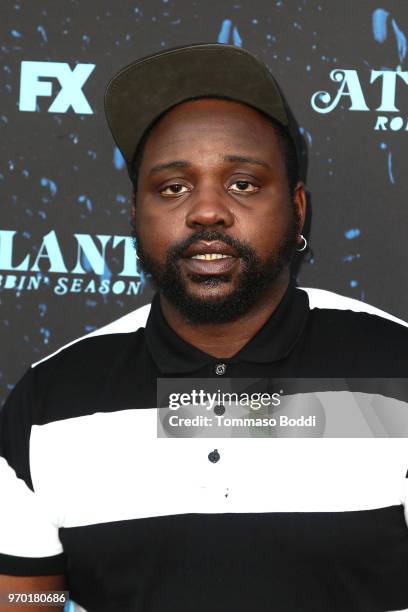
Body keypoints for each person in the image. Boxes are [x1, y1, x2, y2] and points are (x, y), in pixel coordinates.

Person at [1, 43, 408, 612]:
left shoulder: (395, 370)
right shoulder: (49, 404)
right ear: (134, 216)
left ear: (297, 210)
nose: (207, 212)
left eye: (242, 183)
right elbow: (24, 604)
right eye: (173, 188)